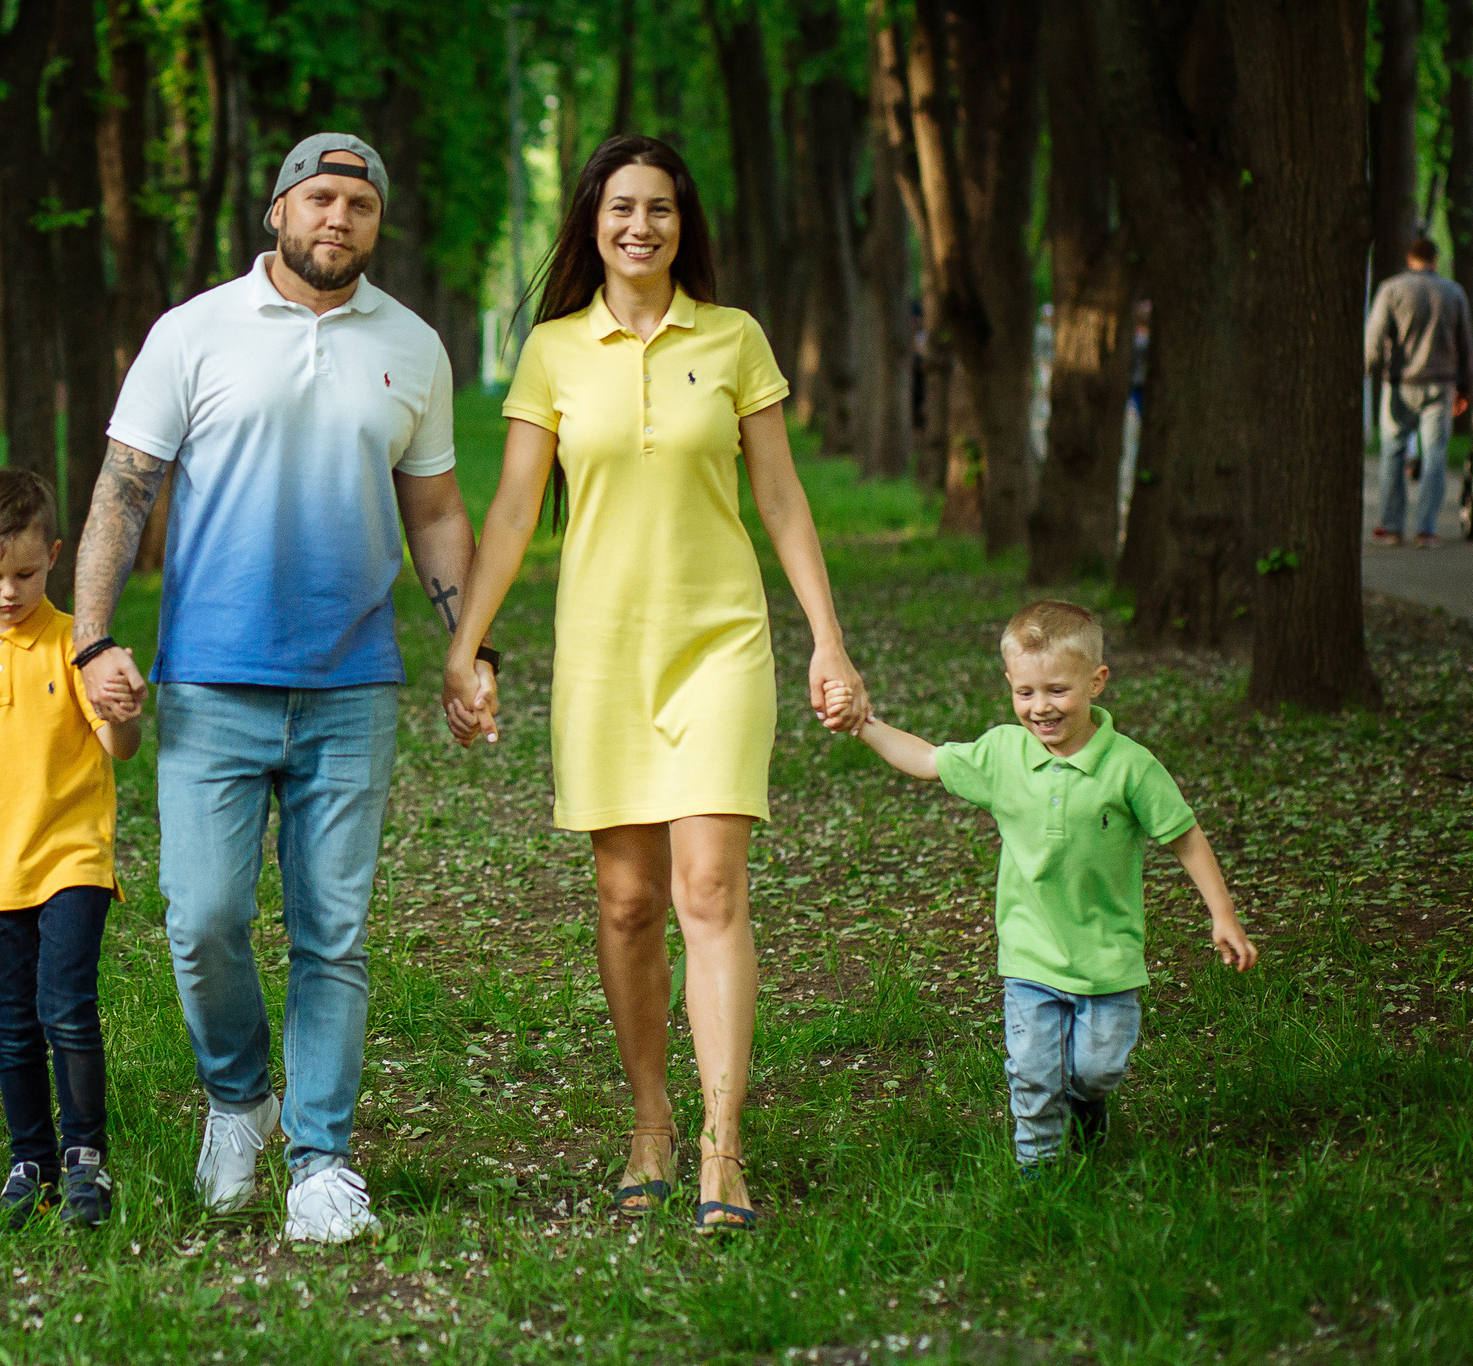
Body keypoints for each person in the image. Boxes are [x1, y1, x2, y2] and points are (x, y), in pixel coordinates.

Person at [441, 134, 866, 1237]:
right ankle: (651, 1123)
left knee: (708, 889)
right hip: (600, 656)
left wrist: (827, 640)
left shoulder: (732, 340)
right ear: (592, 221)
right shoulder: (550, 352)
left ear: (684, 224)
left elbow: (780, 502)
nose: (642, 226)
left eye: (661, 209)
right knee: (627, 903)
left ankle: (724, 1144)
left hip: (719, 646)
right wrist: (465, 647)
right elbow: (510, 514)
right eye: (622, 207)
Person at [68, 133, 482, 1244]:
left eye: (358, 201)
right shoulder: (192, 333)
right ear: (277, 212)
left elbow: (435, 509)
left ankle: (322, 1159)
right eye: (319, 198)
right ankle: (238, 1099)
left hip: (352, 686)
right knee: (200, 920)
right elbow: (120, 493)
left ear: (376, 222)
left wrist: (465, 644)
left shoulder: (412, 346)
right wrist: (92, 641)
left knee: (330, 933)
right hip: (208, 681)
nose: (337, 217)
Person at [829, 601, 1256, 1170]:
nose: (1040, 707)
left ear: (1096, 682)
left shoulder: (1130, 767)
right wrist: (864, 724)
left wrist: (1221, 914)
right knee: (1033, 1072)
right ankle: (1039, 1174)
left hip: (1108, 954)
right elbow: (928, 759)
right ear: (1009, 683)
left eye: (1057, 690)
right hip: (1030, 953)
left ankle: (1085, 1107)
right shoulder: (1003, 754)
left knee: (1096, 1069)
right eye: (1025, 692)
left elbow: (1184, 836)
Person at [0, 469, 142, 1233]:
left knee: (67, 1010)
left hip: (74, 859)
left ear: (54, 556)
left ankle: (86, 1157)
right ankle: (31, 1163)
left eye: (24, 573)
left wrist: (125, 711)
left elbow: (119, 746)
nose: (8, 590)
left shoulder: (73, 647)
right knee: (12, 1021)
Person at [1365, 235, 1472, 548]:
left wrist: (1371, 370)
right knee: (1435, 456)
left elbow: (1373, 341)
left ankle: (1392, 526)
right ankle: (1426, 529)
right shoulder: (1454, 292)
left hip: (1399, 384)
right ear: (1435, 259)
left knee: (1393, 454)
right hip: (1441, 385)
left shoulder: (1391, 290)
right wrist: (1466, 388)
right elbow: (1466, 344)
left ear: (1409, 258)